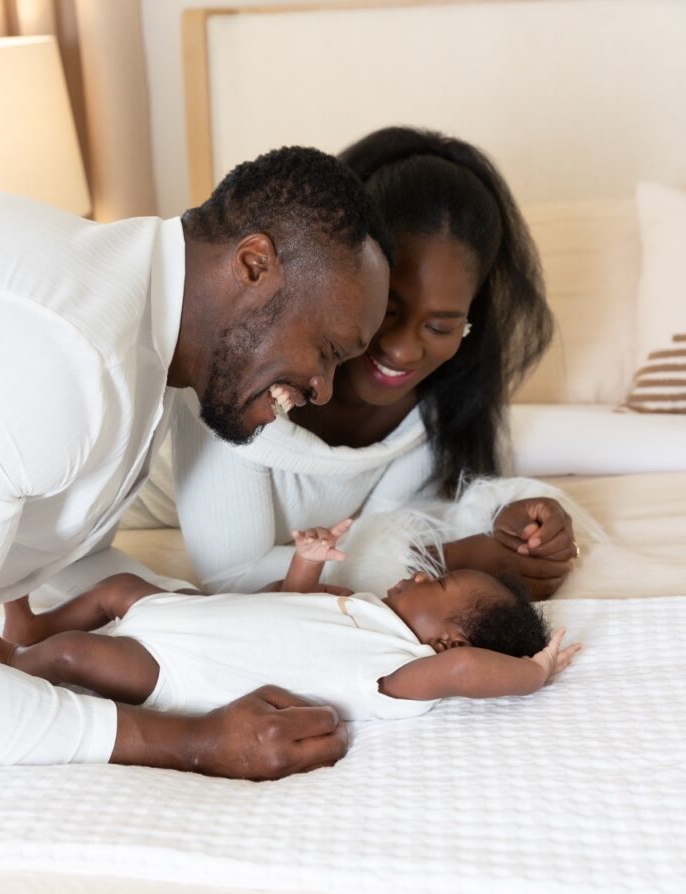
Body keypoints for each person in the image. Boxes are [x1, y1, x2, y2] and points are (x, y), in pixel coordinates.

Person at [0, 145, 392, 777]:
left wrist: (208, 626)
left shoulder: (146, 340)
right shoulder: (69, 363)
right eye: (327, 349)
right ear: (253, 265)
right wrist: (192, 742)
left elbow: (61, 556)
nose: (323, 390)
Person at [171, 127, 578, 599]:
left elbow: (385, 528)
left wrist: (515, 517)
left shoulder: (425, 414)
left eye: (440, 327)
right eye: (387, 312)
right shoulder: (236, 380)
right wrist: (454, 557)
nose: (403, 352)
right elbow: (231, 578)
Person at [0, 519, 580, 725]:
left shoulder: (399, 673)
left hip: (184, 669)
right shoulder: (364, 606)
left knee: (77, 654)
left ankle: (20, 662)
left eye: (436, 586)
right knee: (118, 589)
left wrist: (533, 672)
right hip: (189, 615)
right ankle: (34, 629)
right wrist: (306, 561)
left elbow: (466, 669)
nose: (420, 575)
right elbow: (289, 606)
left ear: (445, 642)